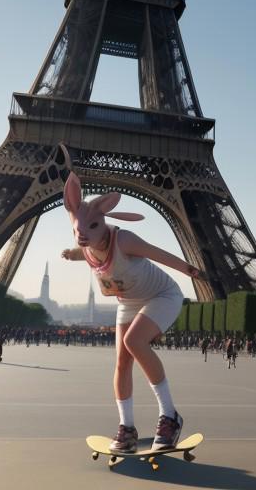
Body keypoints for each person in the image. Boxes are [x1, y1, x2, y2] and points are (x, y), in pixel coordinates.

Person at [61, 172, 205, 453]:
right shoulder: (87, 245)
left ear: (102, 222)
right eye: (79, 229)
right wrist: (71, 252)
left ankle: (170, 416)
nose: (83, 234)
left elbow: (156, 253)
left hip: (162, 295)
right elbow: (87, 253)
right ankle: (126, 429)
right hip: (128, 302)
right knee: (122, 363)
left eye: (90, 227)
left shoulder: (123, 239)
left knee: (133, 342)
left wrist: (191, 270)